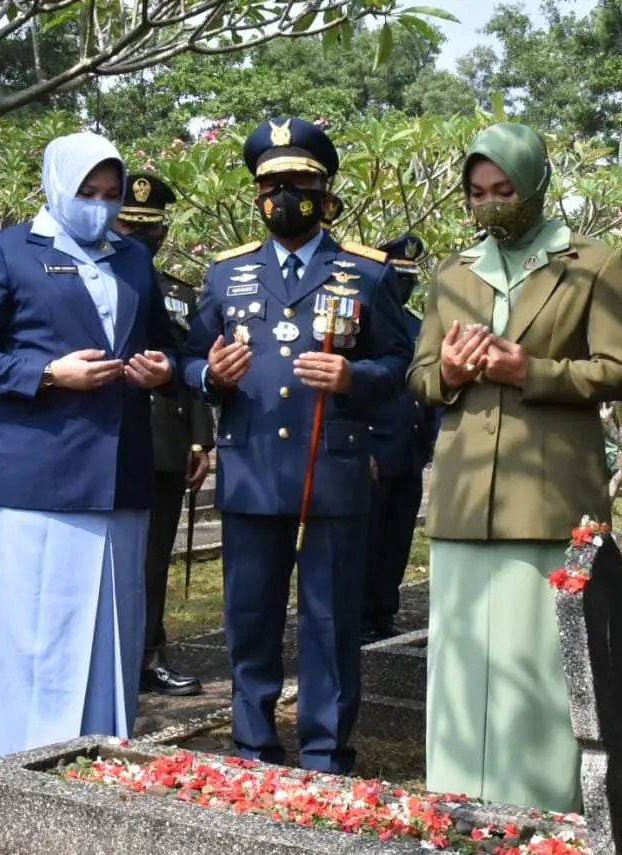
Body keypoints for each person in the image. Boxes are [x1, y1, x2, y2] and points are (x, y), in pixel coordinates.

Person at [407, 122, 622, 815]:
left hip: (546, 494)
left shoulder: (592, 263)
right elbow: (419, 375)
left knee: (539, 660)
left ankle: (538, 804)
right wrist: (447, 371)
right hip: (462, 491)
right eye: (477, 193)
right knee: (460, 657)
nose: (489, 203)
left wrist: (528, 369)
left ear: (536, 183)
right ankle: (454, 802)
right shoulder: (452, 272)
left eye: (503, 189)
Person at [180, 117, 412, 773]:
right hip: (252, 467)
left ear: (325, 189)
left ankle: (324, 748)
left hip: (330, 469)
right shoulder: (228, 275)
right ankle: (253, 743)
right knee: (249, 614)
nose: (284, 194)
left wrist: (353, 375)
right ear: (256, 194)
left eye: (298, 181)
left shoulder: (365, 272)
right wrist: (207, 375)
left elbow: (402, 361)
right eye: (271, 183)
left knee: (330, 617)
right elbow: (189, 359)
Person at [0, 132, 178, 761]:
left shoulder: (131, 257)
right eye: (87, 193)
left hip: (119, 468)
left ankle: (102, 750)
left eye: (111, 194)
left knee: (112, 620)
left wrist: (163, 368)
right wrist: (48, 374)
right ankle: (19, 756)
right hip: (41, 471)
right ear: (56, 186)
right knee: (37, 624)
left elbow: (163, 339)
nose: (100, 207)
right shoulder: (6, 251)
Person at [112, 171, 209, 697]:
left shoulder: (178, 293)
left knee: (152, 558)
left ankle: (149, 654)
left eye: (149, 228)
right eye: (130, 224)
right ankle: (108, 654)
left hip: (164, 438)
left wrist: (200, 439)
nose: (141, 237)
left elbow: (192, 367)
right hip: (104, 436)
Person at [360, 232, 439, 644]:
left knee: (396, 540)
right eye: (396, 275)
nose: (403, 284)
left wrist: (434, 441)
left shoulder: (415, 325)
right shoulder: (359, 320)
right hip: (373, 448)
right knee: (366, 541)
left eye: (409, 276)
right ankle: (359, 616)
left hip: (408, 449)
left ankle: (383, 613)